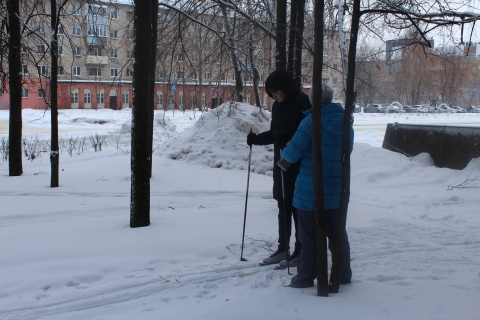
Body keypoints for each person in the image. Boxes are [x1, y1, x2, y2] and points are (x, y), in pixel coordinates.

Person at [276, 83, 353, 288]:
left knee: (309, 237)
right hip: (337, 190)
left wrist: (282, 158)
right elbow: (348, 151)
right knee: (337, 235)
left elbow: (292, 154)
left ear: (313, 101)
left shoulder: (310, 122)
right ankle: (343, 274)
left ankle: (305, 278)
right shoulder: (346, 122)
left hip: (311, 191)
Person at [247, 70, 312, 266]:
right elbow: (276, 133)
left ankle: (301, 249)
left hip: (298, 164)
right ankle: (283, 248)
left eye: (276, 91)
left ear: (285, 87)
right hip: (281, 163)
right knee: (282, 206)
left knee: (296, 208)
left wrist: (288, 136)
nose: (274, 96)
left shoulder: (302, 102)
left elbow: (307, 133)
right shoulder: (277, 106)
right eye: (270, 93)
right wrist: (257, 139)